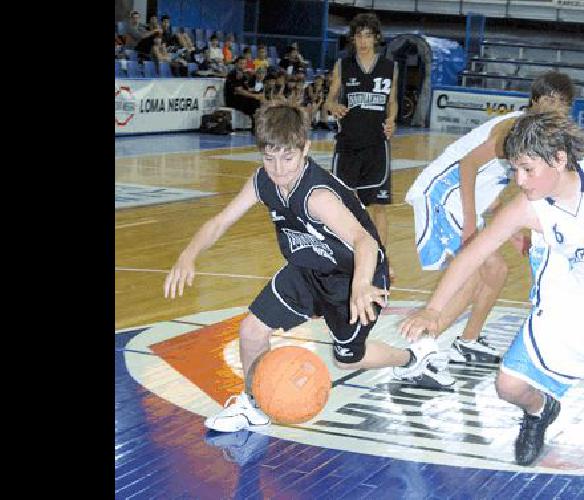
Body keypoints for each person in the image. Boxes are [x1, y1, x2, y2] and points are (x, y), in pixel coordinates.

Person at [164, 102, 454, 433]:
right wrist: (189, 254)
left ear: (305, 148)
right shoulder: (263, 182)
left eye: (287, 158)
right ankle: (253, 403)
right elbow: (219, 222)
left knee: (349, 359)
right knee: (251, 330)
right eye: (269, 158)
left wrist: (361, 284)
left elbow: (365, 241)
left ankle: (414, 360)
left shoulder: (317, 195)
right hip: (306, 269)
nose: (278, 168)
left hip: (354, 276)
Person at [400, 112, 584, 466]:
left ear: (559, 159)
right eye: (514, 170)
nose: (519, 180)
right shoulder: (526, 207)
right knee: (509, 387)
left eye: (527, 169)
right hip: (562, 313)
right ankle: (540, 412)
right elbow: (472, 255)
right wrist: (433, 310)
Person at [403, 71, 577, 364]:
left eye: (563, 103)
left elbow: (491, 190)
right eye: (550, 99)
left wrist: (511, 233)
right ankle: (418, 356)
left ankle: (467, 342)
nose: (555, 108)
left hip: (461, 202)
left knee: (496, 271)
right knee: (470, 278)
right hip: (442, 197)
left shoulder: (530, 136)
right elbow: (468, 164)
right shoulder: (513, 128)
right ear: (534, 101)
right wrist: (471, 224)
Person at [325, 12, 398, 279]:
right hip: (348, 145)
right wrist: (332, 106)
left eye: (368, 35)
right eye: (359, 35)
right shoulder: (343, 65)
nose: (363, 40)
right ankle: (343, 256)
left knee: (378, 206)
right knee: (343, 204)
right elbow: (329, 99)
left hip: (377, 145)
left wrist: (392, 120)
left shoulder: (390, 66)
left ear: (376, 38)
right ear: (353, 39)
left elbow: (392, 101)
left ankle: (379, 258)